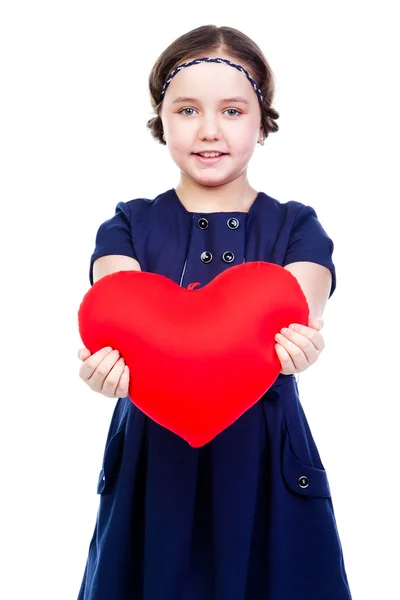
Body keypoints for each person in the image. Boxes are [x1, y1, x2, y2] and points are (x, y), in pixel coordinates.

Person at [76, 25, 352, 600]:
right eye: (186, 109)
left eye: (231, 109)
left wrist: (302, 338)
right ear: (162, 118)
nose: (208, 130)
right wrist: (111, 364)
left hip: (268, 475)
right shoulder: (127, 225)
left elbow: (305, 298)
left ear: (262, 119)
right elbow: (117, 305)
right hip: (152, 476)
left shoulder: (297, 226)